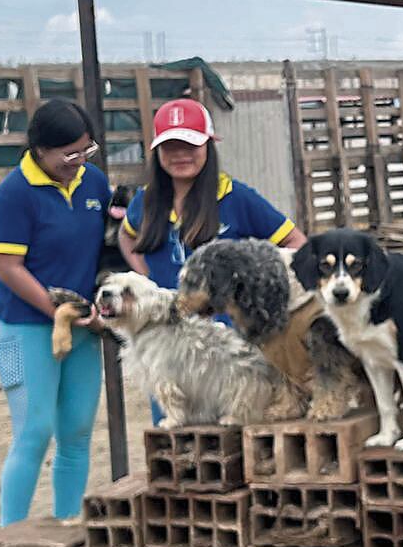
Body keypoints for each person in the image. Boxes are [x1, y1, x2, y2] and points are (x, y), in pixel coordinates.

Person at [119, 98, 306, 421]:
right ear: (156, 152)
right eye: (170, 147)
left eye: (190, 145)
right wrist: (146, 282)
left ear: (209, 145)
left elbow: (295, 243)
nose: (180, 156)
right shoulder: (145, 201)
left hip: (231, 346)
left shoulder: (237, 197)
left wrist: (270, 299)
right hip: (169, 341)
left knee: (236, 430)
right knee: (176, 430)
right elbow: (127, 236)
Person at [0, 99, 111, 526]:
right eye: (69, 154)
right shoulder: (14, 194)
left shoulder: (94, 183)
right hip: (26, 328)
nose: (77, 163)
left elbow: (107, 248)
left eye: (86, 151)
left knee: (77, 432)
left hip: (82, 326)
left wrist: (97, 310)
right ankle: (10, 537)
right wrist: (59, 311)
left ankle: (67, 526)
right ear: (39, 149)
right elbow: (7, 267)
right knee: (34, 432)